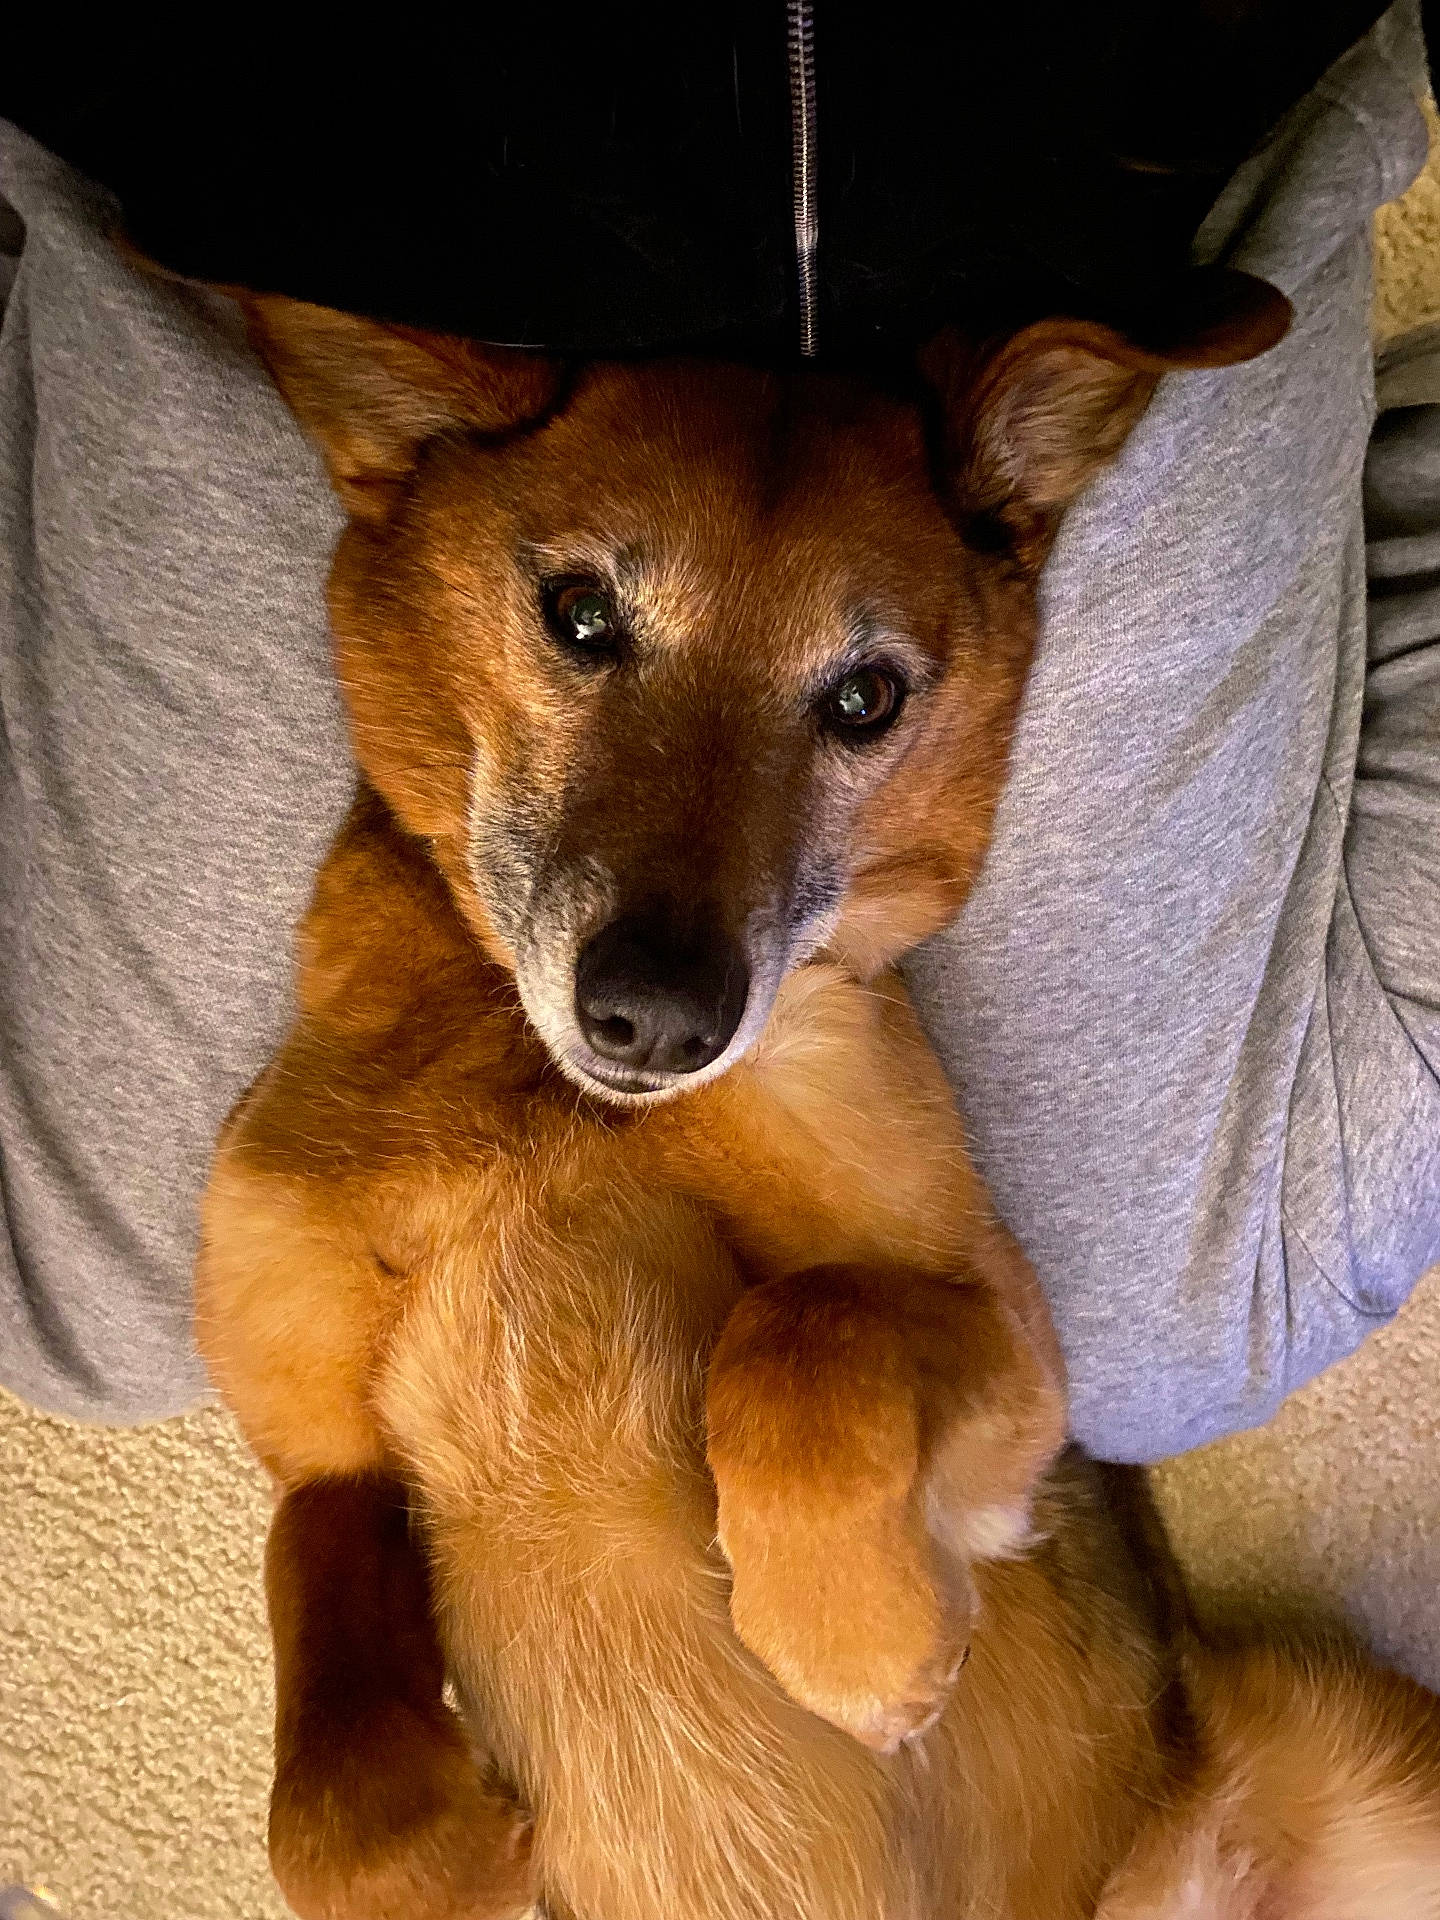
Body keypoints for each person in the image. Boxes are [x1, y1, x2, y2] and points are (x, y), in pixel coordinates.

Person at [0, 3, 1436, 1462]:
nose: (686, 880)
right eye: (585, 625)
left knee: (1163, 1361)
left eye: (856, 700)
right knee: (89, 1322)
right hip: (393, 163)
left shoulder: (980, 515)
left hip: (1102, 179)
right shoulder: (446, 441)